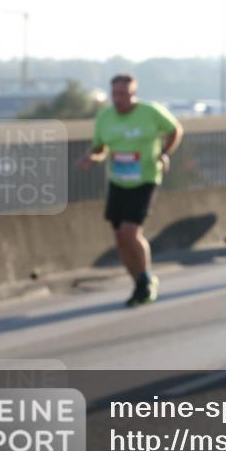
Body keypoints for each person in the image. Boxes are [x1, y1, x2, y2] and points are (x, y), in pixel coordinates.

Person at [77, 74, 183, 306]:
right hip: (118, 181)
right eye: (115, 94)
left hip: (145, 179)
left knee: (130, 232)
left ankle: (146, 278)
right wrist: (90, 158)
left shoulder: (150, 112)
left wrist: (164, 153)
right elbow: (99, 148)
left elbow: (175, 129)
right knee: (120, 238)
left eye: (123, 94)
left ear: (133, 94)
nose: (118, 98)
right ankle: (140, 282)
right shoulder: (105, 117)